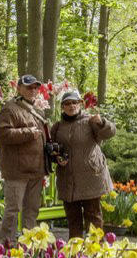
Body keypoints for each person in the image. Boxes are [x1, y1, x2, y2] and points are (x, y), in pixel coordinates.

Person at [50, 89, 117, 239]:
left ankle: (95, 253)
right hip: (68, 180)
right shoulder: (57, 127)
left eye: (74, 102)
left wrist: (102, 122)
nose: (71, 106)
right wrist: (58, 158)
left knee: (93, 217)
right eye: (67, 103)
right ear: (62, 107)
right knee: (73, 219)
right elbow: (52, 151)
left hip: (90, 178)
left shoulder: (90, 121)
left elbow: (110, 132)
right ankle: (75, 255)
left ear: (80, 104)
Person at [0, 74, 48, 241]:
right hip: (17, 170)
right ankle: (7, 246)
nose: (33, 90)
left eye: (35, 87)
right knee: (13, 210)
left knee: (32, 210)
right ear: (19, 88)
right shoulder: (9, 109)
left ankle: (28, 245)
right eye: (28, 87)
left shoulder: (37, 111)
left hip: (36, 170)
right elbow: (1, 134)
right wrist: (27, 133)